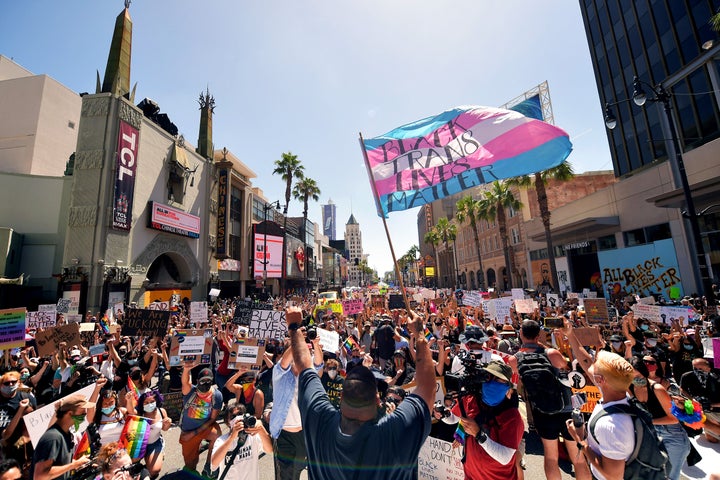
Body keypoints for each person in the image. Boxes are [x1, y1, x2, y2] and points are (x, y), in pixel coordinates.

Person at [290, 306, 434, 479]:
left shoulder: (320, 420)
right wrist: (419, 333)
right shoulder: (394, 433)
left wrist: (294, 327)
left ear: (342, 396)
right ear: (378, 400)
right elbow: (428, 387)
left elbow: (305, 366)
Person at [508, 319, 590, 480]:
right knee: (578, 457)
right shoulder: (551, 354)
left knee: (551, 456)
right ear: (538, 336)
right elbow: (565, 368)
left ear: (520, 334)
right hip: (565, 408)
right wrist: (543, 345)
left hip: (541, 410)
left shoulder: (514, 359)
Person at [564, 321, 636, 480]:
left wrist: (581, 441)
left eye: (595, 367)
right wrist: (570, 334)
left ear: (600, 380)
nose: (591, 364)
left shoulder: (611, 425)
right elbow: (585, 362)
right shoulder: (623, 394)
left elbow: (613, 475)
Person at [451, 361, 525, 480]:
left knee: (516, 463)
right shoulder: (472, 399)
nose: (492, 382)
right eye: (489, 377)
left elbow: (505, 457)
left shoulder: (512, 417)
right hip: (471, 475)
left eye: (497, 379)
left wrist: (478, 434)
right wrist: (442, 412)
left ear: (507, 385)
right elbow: (453, 418)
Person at [270, 330, 323, 480]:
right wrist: (297, 341)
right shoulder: (279, 374)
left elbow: (319, 365)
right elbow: (284, 363)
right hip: (284, 436)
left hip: (304, 434)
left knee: (299, 471)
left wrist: (316, 345)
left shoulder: (307, 375)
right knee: (286, 476)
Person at [627, 356, 690, 480]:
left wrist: (648, 421)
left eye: (638, 377)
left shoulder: (657, 389)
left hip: (671, 435)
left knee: (669, 476)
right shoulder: (630, 387)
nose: (635, 380)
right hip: (650, 434)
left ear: (645, 373)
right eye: (631, 377)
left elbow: (673, 419)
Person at [30, 393, 94, 480]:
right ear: (69, 413)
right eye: (82, 412)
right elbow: (40, 476)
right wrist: (73, 465)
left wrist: (78, 463)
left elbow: (59, 463)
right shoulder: (53, 437)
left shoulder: (66, 435)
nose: (85, 414)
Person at [178, 362, 222, 474]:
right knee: (190, 465)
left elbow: (213, 418)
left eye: (209, 381)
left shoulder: (216, 396)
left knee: (217, 436)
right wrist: (186, 370)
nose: (205, 384)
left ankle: (209, 466)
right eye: (203, 381)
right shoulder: (190, 391)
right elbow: (185, 382)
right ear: (197, 381)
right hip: (188, 430)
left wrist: (195, 433)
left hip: (203, 428)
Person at [209, 404, 273, 480]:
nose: (237, 418)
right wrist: (232, 437)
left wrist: (261, 429)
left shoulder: (253, 435)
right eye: (233, 417)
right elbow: (214, 464)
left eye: (240, 414)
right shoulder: (222, 440)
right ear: (227, 422)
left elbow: (269, 449)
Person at [680, 357, 720, 442]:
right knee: (712, 439)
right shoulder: (687, 376)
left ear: (708, 368)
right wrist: (692, 399)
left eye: (700, 369)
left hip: (717, 408)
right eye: (695, 368)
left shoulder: (717, 378)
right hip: (702, 410)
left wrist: (711, 405)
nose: (697, 371)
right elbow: (682, 389)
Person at [135, 390, 172, 479]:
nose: (149, 404)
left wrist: (168, 423)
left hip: (155, 443)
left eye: (152, 402)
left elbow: (165, 429)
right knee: (131, 465)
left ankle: (157, 455)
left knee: (154, 471)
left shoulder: (162, 411)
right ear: (142, 404)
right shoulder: (139, 414)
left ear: (157, 401)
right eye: (146, 402)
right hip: (139, 444)